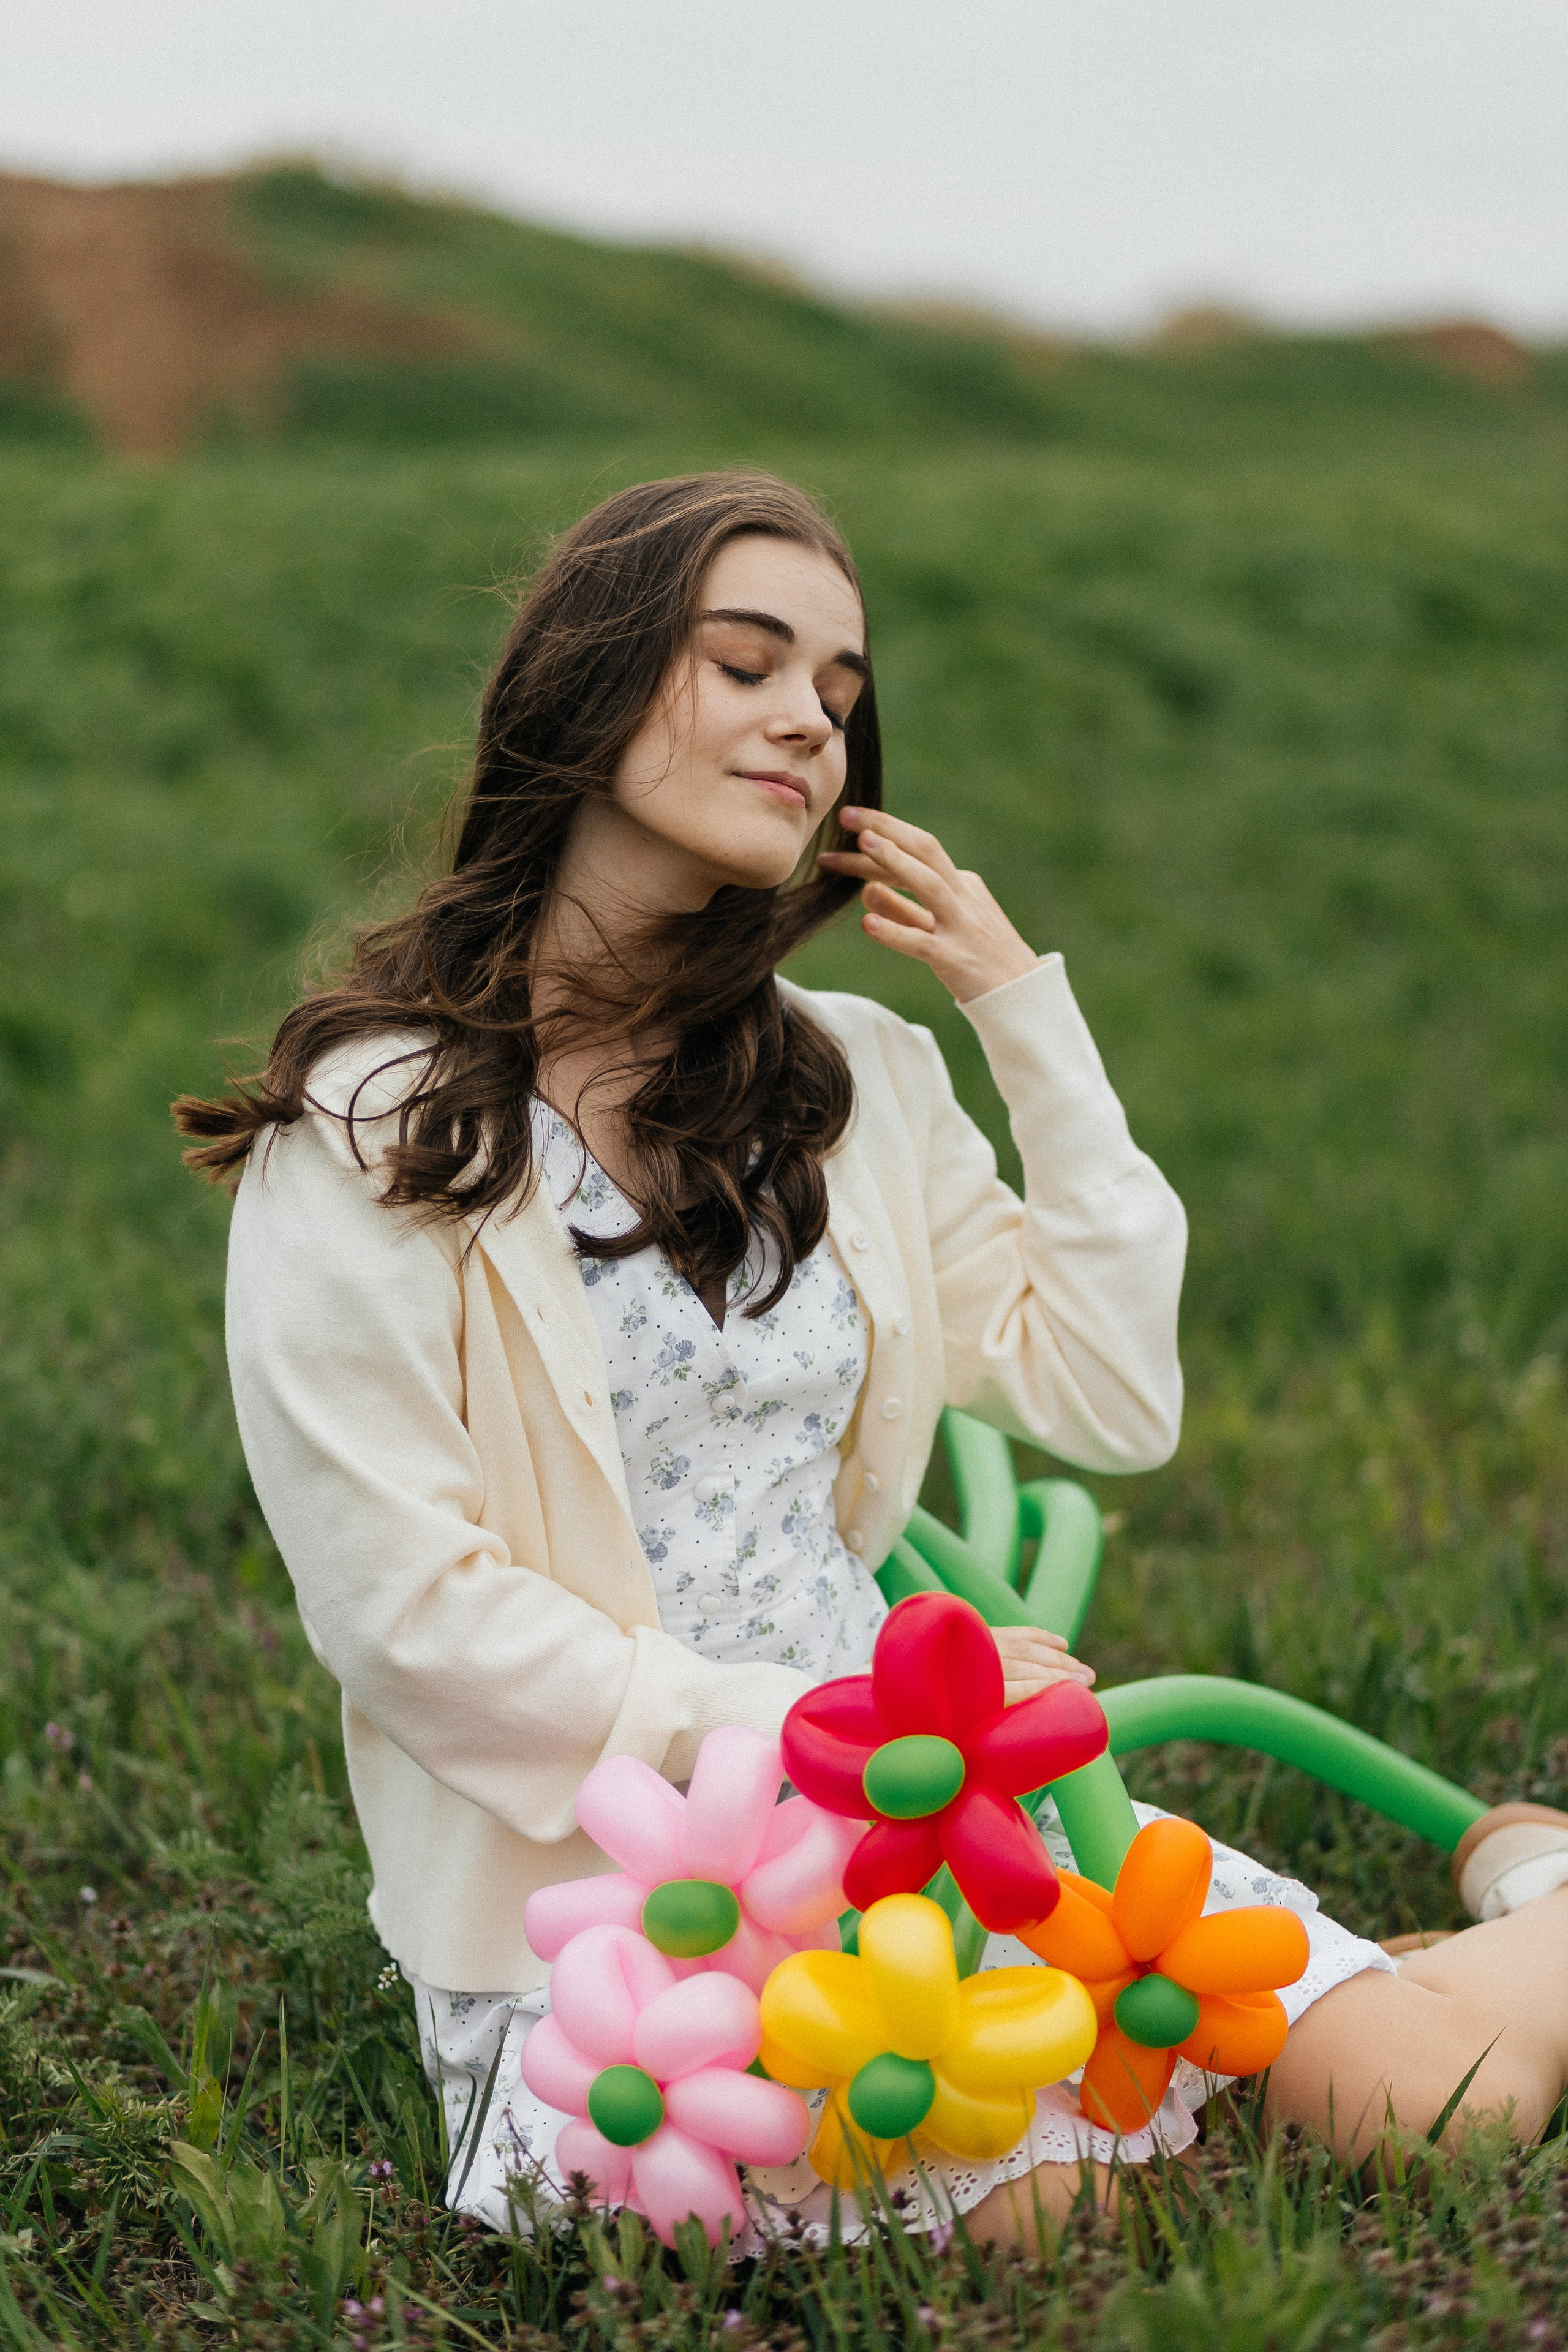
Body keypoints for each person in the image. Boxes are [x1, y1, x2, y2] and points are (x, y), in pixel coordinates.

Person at [177, 472, 1568, 2246]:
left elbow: (1112, 1397)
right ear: (587, 686)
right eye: (745, 665)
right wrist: (828, 1730)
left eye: (836, 693)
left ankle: (1538, 1891)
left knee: (1430, 2119)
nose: (807, 724)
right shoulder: (376, 1128)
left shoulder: (856, 1079)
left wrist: (1022, 1018)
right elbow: (404, 1614)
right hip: (630, 1904)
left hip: (943, 1818)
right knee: (1048, 2229)